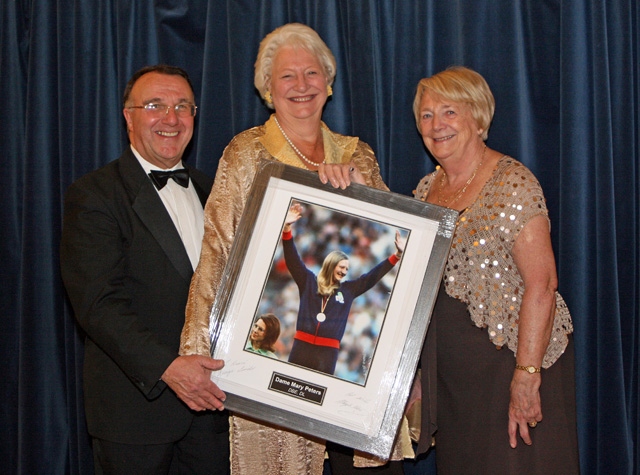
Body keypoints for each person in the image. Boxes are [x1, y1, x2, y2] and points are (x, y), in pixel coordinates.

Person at [180, 23, 407, 475]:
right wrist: (195, 349)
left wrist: (367, 196)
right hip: (270, 366)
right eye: (287, 76)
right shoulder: (246, 153)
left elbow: (395, 258)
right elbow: (216, 252)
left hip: (355, 376)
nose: (301, 86)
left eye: (312, 73)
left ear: (328, 81)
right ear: (268, 87)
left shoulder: (357, 154)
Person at [60, 65, 229, 474]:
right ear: (128, 116)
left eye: (182, 106)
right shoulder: (94, 194)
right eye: (155, 105)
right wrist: (168, 369)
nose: (170, 119)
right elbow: (97, 304)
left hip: (211, 413)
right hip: (134, 415)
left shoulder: (214, 190)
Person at [412, 66, 579, 473]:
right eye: (427, 115)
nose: (437, 126)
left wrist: (526, 375)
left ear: (478, 117)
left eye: (449, 112)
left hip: (514, 365)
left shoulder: (513, 183)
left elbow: (543, 285)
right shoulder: (422, 192)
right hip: (455, 379)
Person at [282, 203, 403, 375]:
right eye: (341, 266)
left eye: (346, 269)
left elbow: (371, 278)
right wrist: (287, 229)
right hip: (301, 347)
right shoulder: (309, 281)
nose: (344, 271)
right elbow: (293, 261)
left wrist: (396, 256)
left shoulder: (349, 290)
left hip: (327, 354)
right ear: (330, 264)